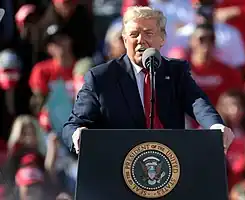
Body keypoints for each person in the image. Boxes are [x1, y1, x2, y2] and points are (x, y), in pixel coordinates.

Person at [62, 6, 235, 154]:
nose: (140, 40)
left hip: (168, 166)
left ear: (162, 39)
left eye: (148, 33)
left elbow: (197, 102)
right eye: (134, 34)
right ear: (124, 39)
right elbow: (73, 125)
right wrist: (77, 134)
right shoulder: (101, 77)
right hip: (118, 166)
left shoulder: (176, 72)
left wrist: (215, 127)